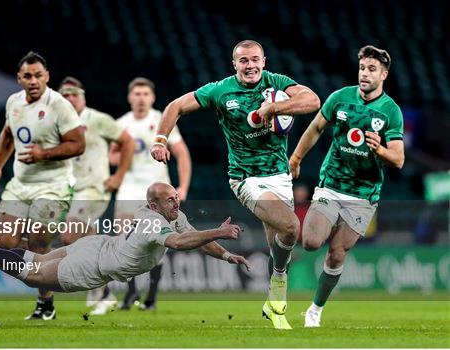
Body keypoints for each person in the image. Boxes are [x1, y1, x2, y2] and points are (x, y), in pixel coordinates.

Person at [151, 40, 321, 329]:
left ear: (264, 61)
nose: (250, 65)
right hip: (246, 178)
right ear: (235, 64)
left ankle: (274, 300)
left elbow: (313, 101)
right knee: (291, 226)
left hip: (279, 175)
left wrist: (274, 108)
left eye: (255, 59)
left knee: (281, 243)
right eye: (243, 61)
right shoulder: (220, 90)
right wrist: (160, 139)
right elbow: (175, 106)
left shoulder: (276, 83)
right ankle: (279, 288)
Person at [0, 52, 85, 320]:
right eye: (27, 76)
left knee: (38, 243)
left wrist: (43, 154)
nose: (33, 81)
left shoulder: (59, 105)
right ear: (19, 78)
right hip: (20, 185)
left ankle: (45, 304)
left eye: (38, 75)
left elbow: (78, 144)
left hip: (54, 186)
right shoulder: (13, 102)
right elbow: (9, 133)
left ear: (47, 77)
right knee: (2, 241)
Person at [0, 183, 251, 299]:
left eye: (176, 198)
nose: (176, 203)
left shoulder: (170, 215)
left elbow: (192, 237)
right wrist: (218, 231)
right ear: (154, 206)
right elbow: (180, 244)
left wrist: (225, 255)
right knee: (32, 277)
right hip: (95, 263)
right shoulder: (152, 222)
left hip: (97, 245)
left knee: (34, 262)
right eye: (170, 200)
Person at [288, 45, 404, 327]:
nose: (365, 73)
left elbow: (398, 159)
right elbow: (316, 127)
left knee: (337, 252)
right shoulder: (340, 98)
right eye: (363, 68)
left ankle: (315, 309)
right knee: (312, 242)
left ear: (384, 75)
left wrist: (380, 151)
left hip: (364, 194)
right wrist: (296, 158)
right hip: (332, 185)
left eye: (372, 69)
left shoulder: (391, 111)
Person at [108, 77, 192, 314]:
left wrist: (182, 186)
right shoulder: (121, 124)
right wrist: (116, 158)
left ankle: (151, 297)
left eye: (146, 94)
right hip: (129, 189)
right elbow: (111, 157)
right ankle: (132, 291)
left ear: (152, 97)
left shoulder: (161, 121)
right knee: (123, 241)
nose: (141, 98)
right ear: (129, 97)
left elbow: (182, 154)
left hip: (158, 192)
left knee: (158, 244)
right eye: (137, 94)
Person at [58, 76, 135, 309]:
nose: (70, 98)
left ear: (83, 97)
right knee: (88, 241)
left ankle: (101, 287)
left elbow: (127, 141)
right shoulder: (57, 122)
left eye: (74, 94)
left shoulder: (98, 119)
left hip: (94, 188)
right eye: (65, 95)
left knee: (69, 235)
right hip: (69, 189)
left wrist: (119, 175)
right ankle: (101, 289)